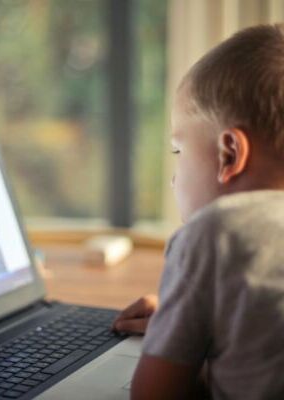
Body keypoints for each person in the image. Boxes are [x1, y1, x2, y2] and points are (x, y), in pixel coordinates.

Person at [112, 24, 284, 399]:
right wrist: (197, 321)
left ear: (230, 155)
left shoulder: (214, 233)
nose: (174, 178)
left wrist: (175, 341)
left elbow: (154, 394)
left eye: (178, 151)